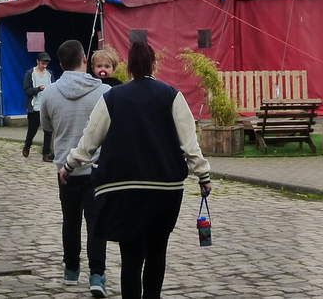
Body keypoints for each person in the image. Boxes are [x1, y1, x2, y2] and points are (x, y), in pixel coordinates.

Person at [61, 41, 212, 299]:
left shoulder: (111, 98)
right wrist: (203, 175)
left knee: (131, 257)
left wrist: (69, 165)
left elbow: (89, 141)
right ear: (154, 64)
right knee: (157, 251)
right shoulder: (172, 95)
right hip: (165, 190)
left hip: (124, 190)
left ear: (128, 67)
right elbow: (189, 143)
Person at [41, 40, 112, 297]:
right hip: (97, 168)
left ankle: (71, 270)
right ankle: (97, 274)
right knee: (97, 224)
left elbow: (47, 127)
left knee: (70, 221)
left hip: (66, 170)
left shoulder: (49, 93)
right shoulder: (104, 91)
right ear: (85, 59)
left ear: (60, 64)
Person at [23, 52, 54, 161]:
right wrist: (38, 89)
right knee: (32, 130)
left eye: (46, 63)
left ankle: (46, 153)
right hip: (35, 107)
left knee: (48, 131)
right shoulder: (30, 73)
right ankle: (27, 145)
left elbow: (53, 87)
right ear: (37, 62)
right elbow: (27, 90)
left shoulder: (49, 74)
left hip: (47, 106)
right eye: (42, 62)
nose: (44, 65)